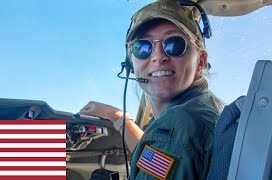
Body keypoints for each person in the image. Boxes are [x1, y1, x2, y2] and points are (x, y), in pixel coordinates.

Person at [80, 0, 222, 179]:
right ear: (131, 63)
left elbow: (169, 143)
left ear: (200, 61)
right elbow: (160, 156)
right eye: (143, 47)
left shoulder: (177, 124)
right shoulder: (201, 109)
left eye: (174, 44)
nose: (158, 56)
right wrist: (118, 117)